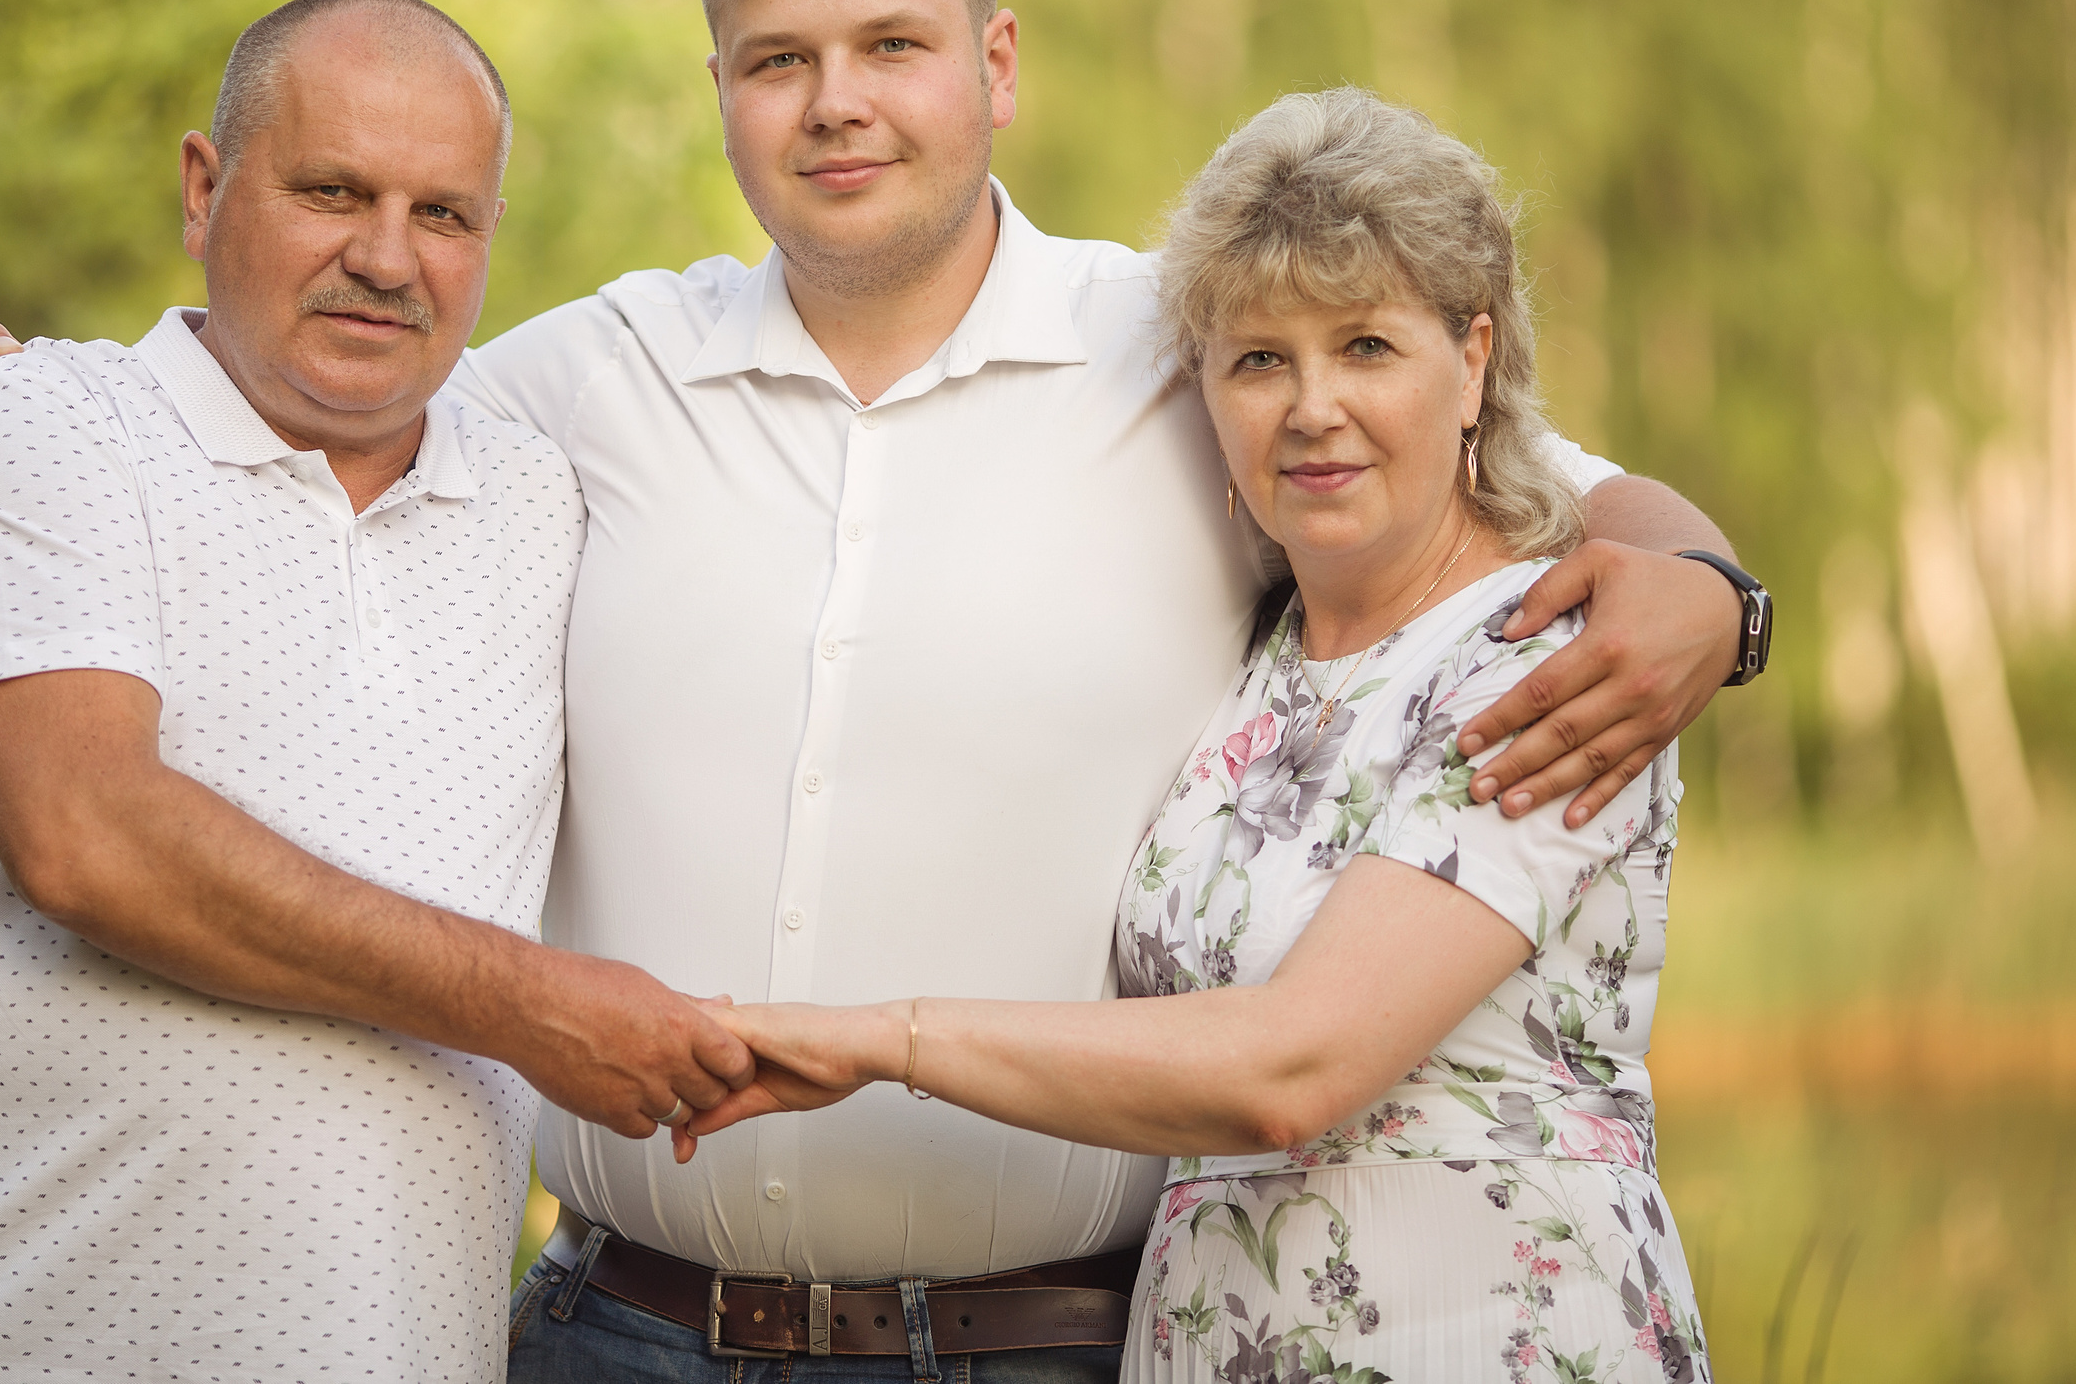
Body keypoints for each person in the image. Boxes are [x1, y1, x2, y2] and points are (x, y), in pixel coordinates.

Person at [0, 0, 1763, 1380]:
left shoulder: (1204, 355)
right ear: (723, 97)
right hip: (622, 1334)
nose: (837, 104)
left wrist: (1706, 586)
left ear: (994, 67)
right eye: (779, 61)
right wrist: (2, 414)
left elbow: (1518, 486)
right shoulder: (579, 384)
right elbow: (313, 368)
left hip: (1049, 1344)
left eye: (891, 46)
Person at [681, 89, 1711, 1383]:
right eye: (1259, 360)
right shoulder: (1256, 662)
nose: (1312, 406)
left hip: (1481, 1338)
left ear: (1474, 362)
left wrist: (881, 1038)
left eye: (1366, 347)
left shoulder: (1549, 655)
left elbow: (1297, 1065)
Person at [0, 0, 753, 1384]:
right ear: (203, 190)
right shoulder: (36, 430)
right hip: (27, 1347)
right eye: (332, 191)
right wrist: (534, 1009)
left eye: (443, 214)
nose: (386, 258)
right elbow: (88, 841)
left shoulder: (545, 500)